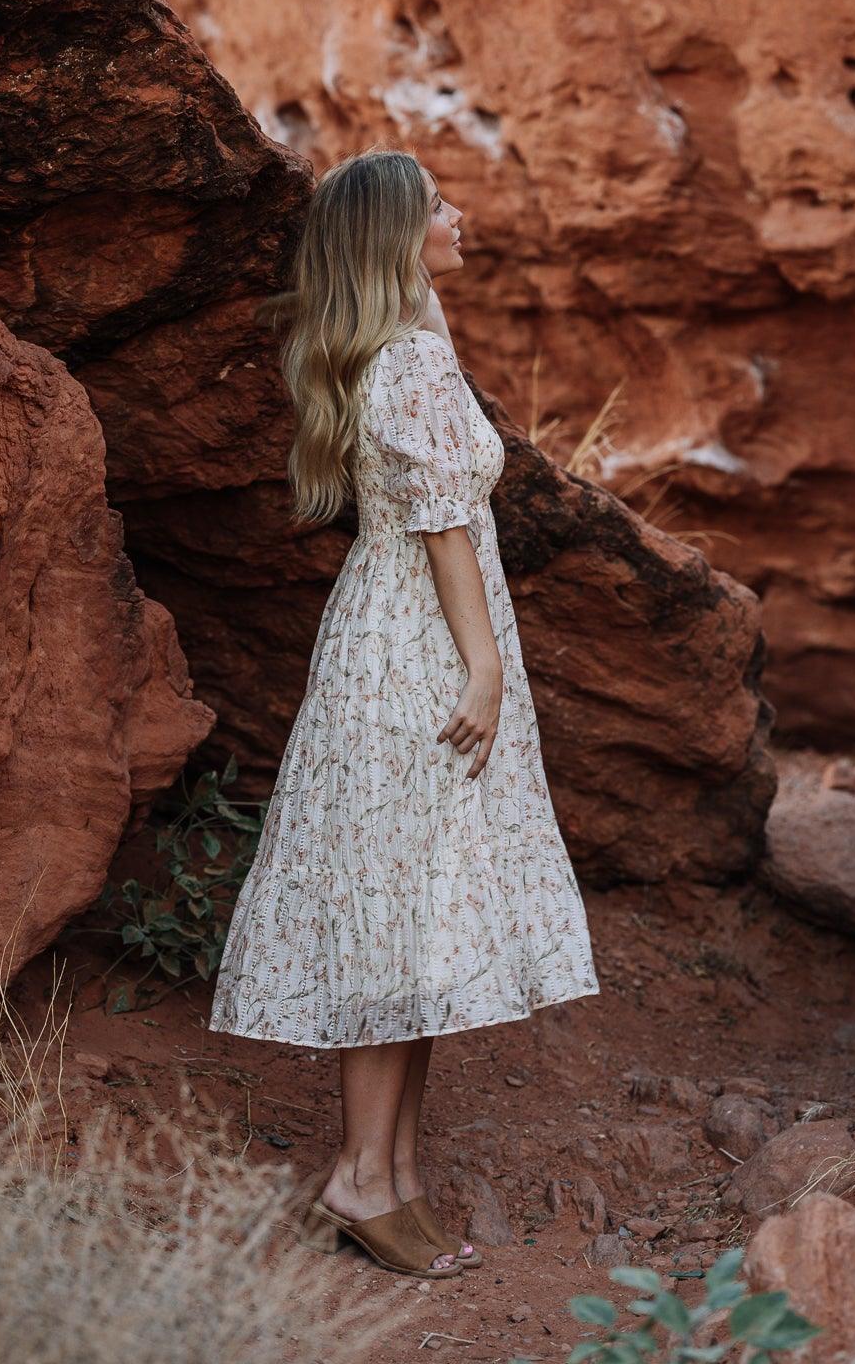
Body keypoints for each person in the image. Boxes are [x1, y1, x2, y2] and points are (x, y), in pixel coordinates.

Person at [208, 147, 599, 1278]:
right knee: (396, 918)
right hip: (423, 648)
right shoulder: (413, 363)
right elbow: (440, 526)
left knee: (419, 913)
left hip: (390, 633)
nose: (459, 215)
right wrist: (479, 668)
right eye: (438, 207)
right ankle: (358, 1174)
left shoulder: (403, 346)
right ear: (397, 236)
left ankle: (397, 1171)